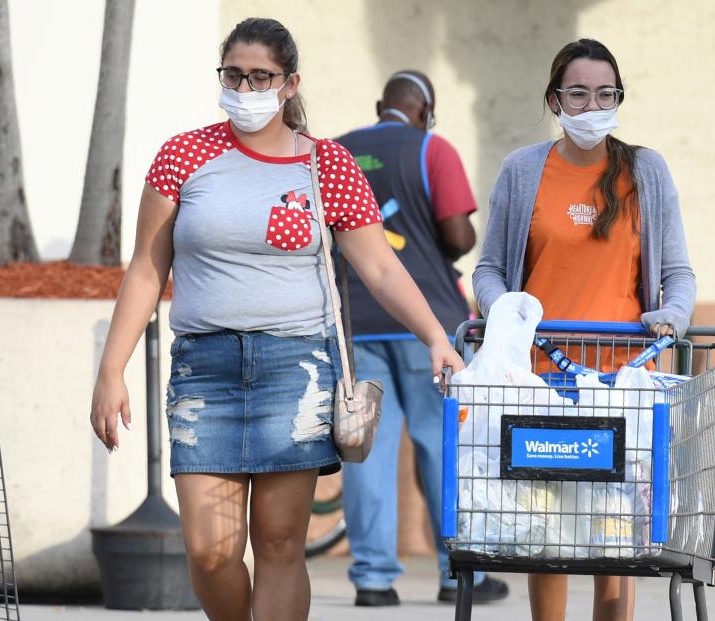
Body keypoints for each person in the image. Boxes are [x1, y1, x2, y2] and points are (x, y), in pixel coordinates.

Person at [88, 18, 464, 621]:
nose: (244, 87)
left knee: (281, 543)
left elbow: (382, 270)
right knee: (210, 553)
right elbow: (145, 270)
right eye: (233, 75)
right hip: (204, 373)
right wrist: (112, 371)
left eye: (260, 76)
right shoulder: (183, 156)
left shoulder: (329, 165)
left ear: (290, 84)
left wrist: (436, 337)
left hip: (296, 370)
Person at [472, 38, 696, 621]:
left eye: (605, 93)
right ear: (555, 99)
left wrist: (671, 317)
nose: (592, 104)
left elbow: (678, 274)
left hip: (622, 380)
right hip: (539, 381)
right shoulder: (524, 170)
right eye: (578, 93)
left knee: (615, 540)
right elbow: (490, 267)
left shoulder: (644, 170)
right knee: (547, 534)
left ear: (619, 99)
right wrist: (507, 316)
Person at [334, 71, 510, 607]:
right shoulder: (433, 149)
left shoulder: (338, 152)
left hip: (356, 321)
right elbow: (458, 235)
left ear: (380, 105)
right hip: (426, 322)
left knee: (366, 450)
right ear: (425, 112)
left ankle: (372, 579)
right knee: (442, 447)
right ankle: (459, 574)